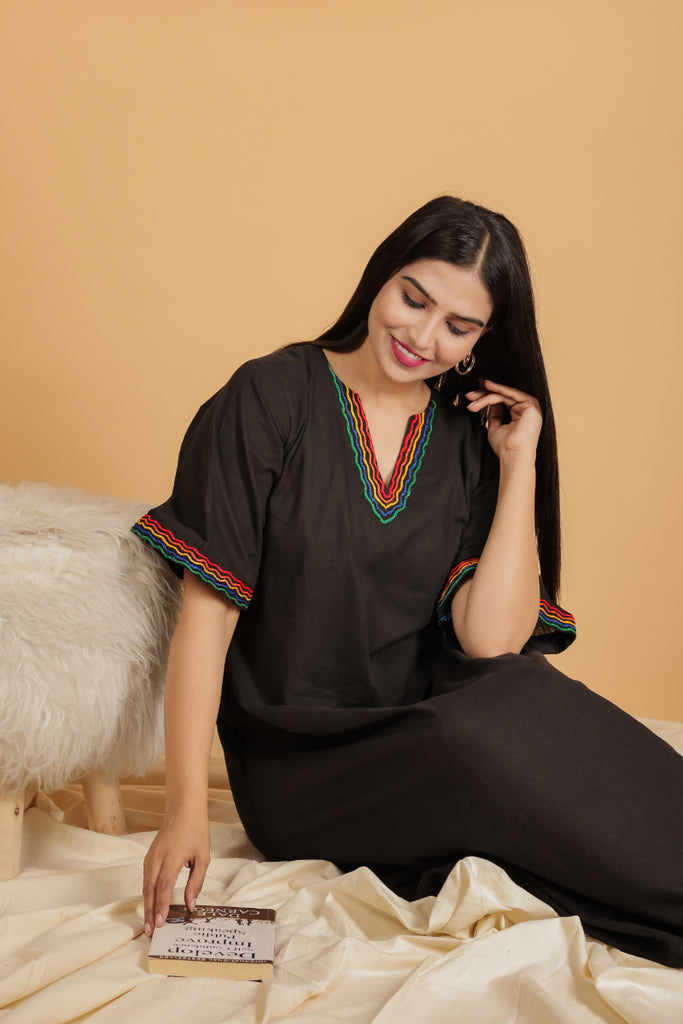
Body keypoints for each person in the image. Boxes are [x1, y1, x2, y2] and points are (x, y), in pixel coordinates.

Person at [134, 196, 683, 967]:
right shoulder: (268, 397)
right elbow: (207, 614)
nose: (422, 337)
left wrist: (518, 462)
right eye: (413, 299)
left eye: (458, 326)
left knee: (522, 696)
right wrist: (184, 810)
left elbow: (491, 642)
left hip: (428, 736)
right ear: (381, 276)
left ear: (482, 341)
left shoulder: (465, 439)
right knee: (478, 733)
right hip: (303, 769)